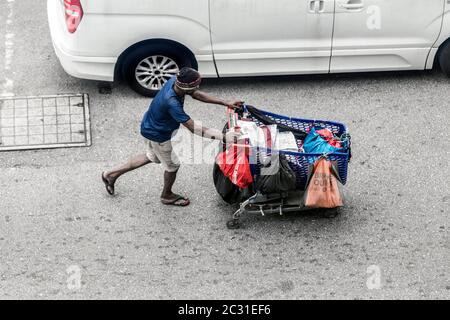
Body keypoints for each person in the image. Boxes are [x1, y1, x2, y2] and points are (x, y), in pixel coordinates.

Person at [102, 67, 243, 207]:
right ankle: (166, 196)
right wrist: (225, 137)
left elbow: (196, 94)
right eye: (196, 84)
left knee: (152, 156)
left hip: (150, 126)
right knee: (172, 166)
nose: (198, 87)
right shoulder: (172, 103)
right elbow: (194, 128)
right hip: (159, 134)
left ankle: (111, 174)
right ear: (186, 87)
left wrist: (225, 102)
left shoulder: (175, 81)